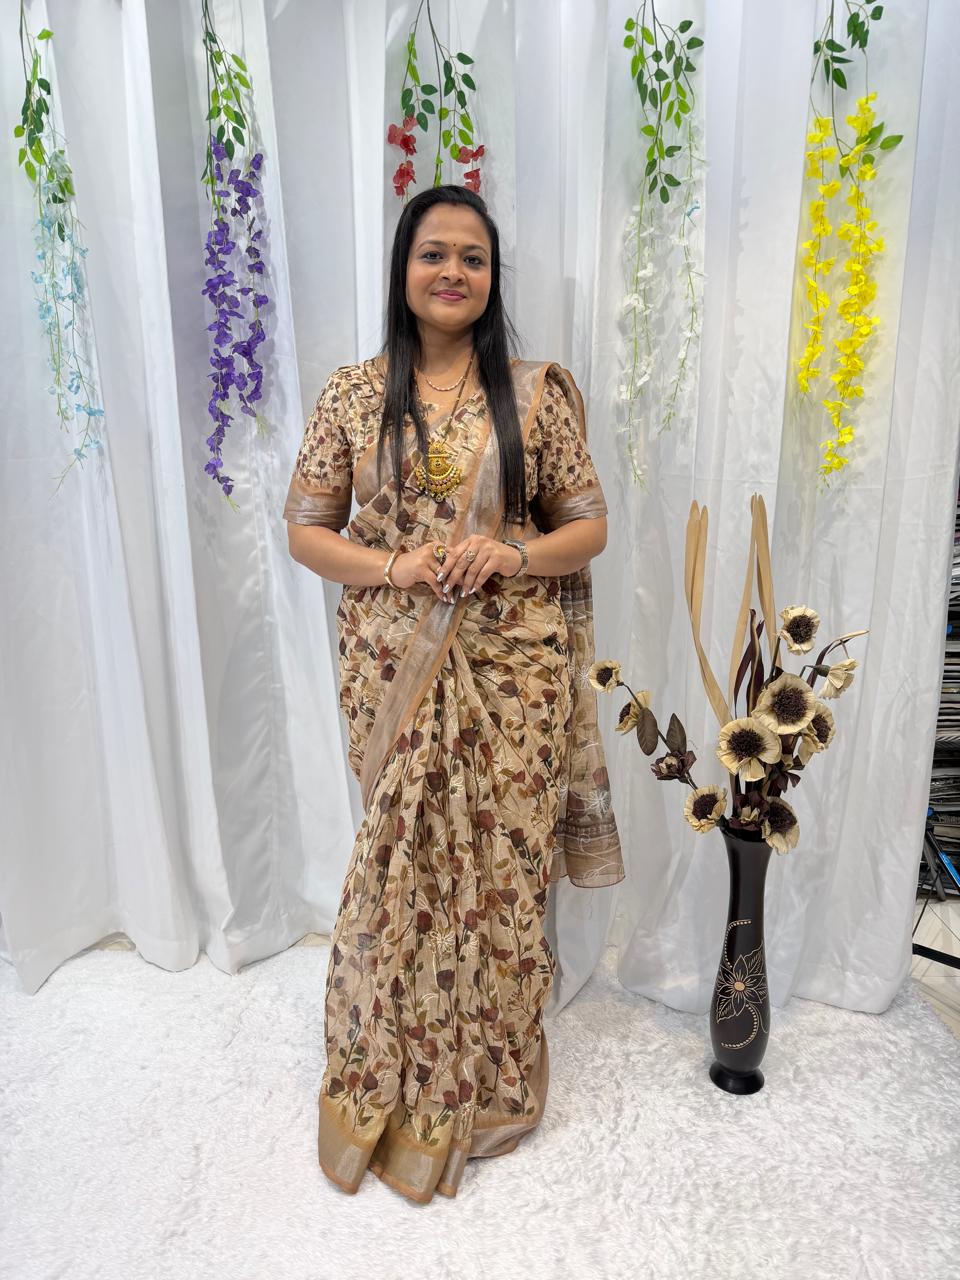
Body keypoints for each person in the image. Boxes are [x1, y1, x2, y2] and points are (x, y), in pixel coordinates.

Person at [283, 183, 624, 1205]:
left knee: (501, 872)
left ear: (491, 278)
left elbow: (587, 527)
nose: (453, 272)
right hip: (394, 660)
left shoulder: (533, 394)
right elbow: (307, 532)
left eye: (473, 258)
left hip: (514, 672)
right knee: (402, 867)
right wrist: (395, 568)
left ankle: (491, 1079)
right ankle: (389, 1075)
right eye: (434, 253)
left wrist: (510, 552)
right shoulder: (353, 394)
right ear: (403, 269)